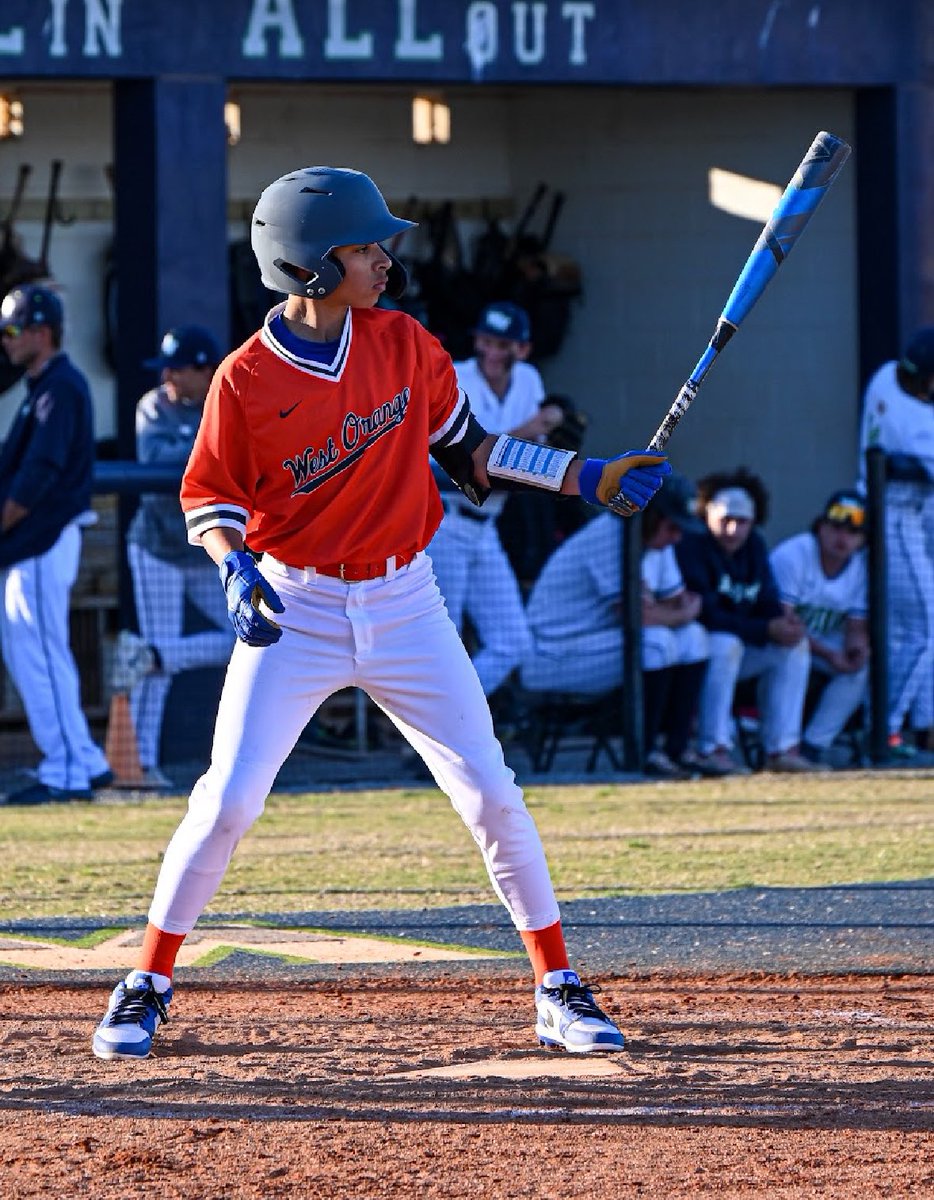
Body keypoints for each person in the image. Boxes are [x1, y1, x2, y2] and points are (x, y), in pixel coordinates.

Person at [92, 166, 670, 1061]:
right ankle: (147, 981)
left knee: (491, 794)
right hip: (299, 603)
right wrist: (237, 569)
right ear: (310, 268)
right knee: (229, 797)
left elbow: (472, 452)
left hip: (407, 600)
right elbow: (208, 498)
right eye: (365, 247)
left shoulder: (406, 344)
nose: (384, 260)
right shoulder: (244, 379)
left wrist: (581, 475)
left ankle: (558, 987)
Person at [520, 473, 716, 778]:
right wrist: (675, 613)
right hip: (552, 655)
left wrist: (673, 613)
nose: (677, 536)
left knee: (695, 638)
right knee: (657, 642)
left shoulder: (654, 542)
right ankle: (645, 752)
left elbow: (677, 601)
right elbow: (641, 618)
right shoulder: (609, 534)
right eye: (672, 526)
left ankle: (676, 750)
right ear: (652, 516)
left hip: (597, 644)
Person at [0, 283, 112, 804]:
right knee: (33, 652)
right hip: (33, 547)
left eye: (13, 329)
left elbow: (38, 476)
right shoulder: (42, 386)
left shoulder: (61, 385)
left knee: (43, 655)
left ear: (41, 333)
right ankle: (81, 759)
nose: (6, 340)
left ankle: (68, 768)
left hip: (43, 541)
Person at [113, 325, 232, 788]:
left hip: (206, 547)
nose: (167, 376)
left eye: (177, 368)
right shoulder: (153, 405)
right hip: (158, 547)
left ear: (203, 370)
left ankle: (155, 653)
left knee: (242, 636)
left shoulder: (222, 399)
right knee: (156, 680)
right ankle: (139, 766)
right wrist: (209, 445)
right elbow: (162, 460)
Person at [427, 301, 564, 699]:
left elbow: (529, 461)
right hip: (445, 522)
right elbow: (475, 459)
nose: (492, 353)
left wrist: (543, 433)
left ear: (521, 349)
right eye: (487, 342)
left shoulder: (528, 380)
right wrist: (533, 426)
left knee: (512, 642)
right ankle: (427, 735)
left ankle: (454, 720)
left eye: (503, 345)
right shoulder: (456, 376)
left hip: (487, 528)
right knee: (443, 643)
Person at [675, 468, 814, 775]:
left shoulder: (754, 548)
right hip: (697, 653)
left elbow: (765, 599)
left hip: (742, 645)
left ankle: (782, 750)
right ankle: (714, 749)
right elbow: (707, 615)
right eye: (726, 520)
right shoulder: (692, 545)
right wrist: (765, 628)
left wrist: (782, 621)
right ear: (707, 515)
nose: (734, 530)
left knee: (794, 647)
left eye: (743, 522)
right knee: (725, 644)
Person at [858, 326, 934, 758]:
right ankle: (882, 732)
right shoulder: (919, 426)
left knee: (915, 632)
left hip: (905, 516)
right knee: (922, 631)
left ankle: (921, 726)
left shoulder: (884, 376)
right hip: (895, 516)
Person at [769, 490, 869, 766]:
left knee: (861, 669)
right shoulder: (795, 554)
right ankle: (783, 748)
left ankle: (813, 747)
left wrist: (855, 649)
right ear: (821, 526)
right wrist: (830, 655)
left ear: (862, 540)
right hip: (781, 644)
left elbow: (856, 625)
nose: (843, 538)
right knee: (795, 648)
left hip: (824, 651)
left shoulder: (861, 567)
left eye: (853, 532)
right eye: (836, 528)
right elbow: (784, 622)